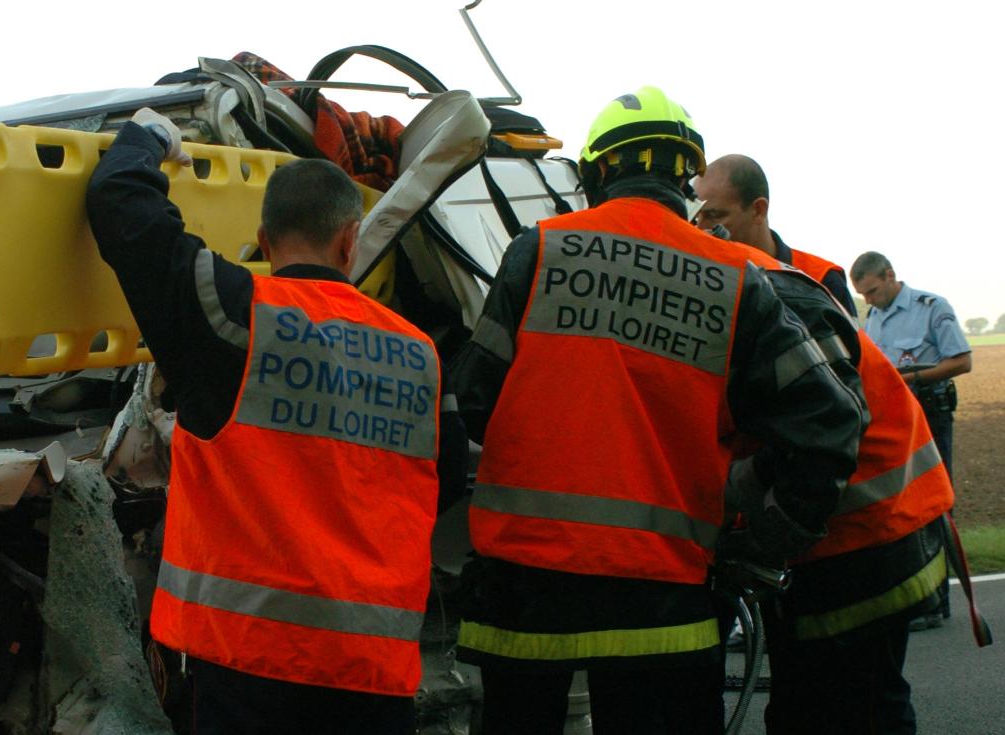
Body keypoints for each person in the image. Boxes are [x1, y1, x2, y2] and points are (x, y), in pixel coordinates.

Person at [449, 86, 864, 734]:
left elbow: (473, 402)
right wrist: (765, 543)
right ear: (685, 177)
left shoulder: (541, 250)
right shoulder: (738, 279)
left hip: (524, 595)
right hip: (664, 606)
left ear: (598, 170)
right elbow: (832, 422)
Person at [85, 108, 467, 734]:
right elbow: (444, 478)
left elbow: (120, 204)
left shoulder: (232, 312)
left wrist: (149, 137)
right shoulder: (418, 352)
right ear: (351, 240)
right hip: (372, 666)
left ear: (265, 243)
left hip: (250, 663)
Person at [698, 164, 956, 732]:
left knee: (866, 705)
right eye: (699, 218)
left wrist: (763, 525)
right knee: (804, 704)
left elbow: (828, 422)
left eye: (715, 217)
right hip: (836, 526)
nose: (705, 230)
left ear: (757, 209)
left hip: (870, 523)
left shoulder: (790, 286)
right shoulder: (744, 278)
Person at [853, 251, 971, 630]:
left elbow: (962, 361)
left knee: (932, 504)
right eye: (863, 295)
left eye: (872, 290)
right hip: (894, 420)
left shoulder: (932, 306)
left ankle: (937, 602)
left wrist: (914, 380)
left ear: (889, 275)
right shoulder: (874, 319)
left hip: (930, 411)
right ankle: (914, 596)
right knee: (900, 507)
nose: (868, 300)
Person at [694, 154, 857, 315]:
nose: (699, 230)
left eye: (714, 216)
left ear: (758, 210)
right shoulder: (698, 276)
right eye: (695, 218)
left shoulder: (822, 279)